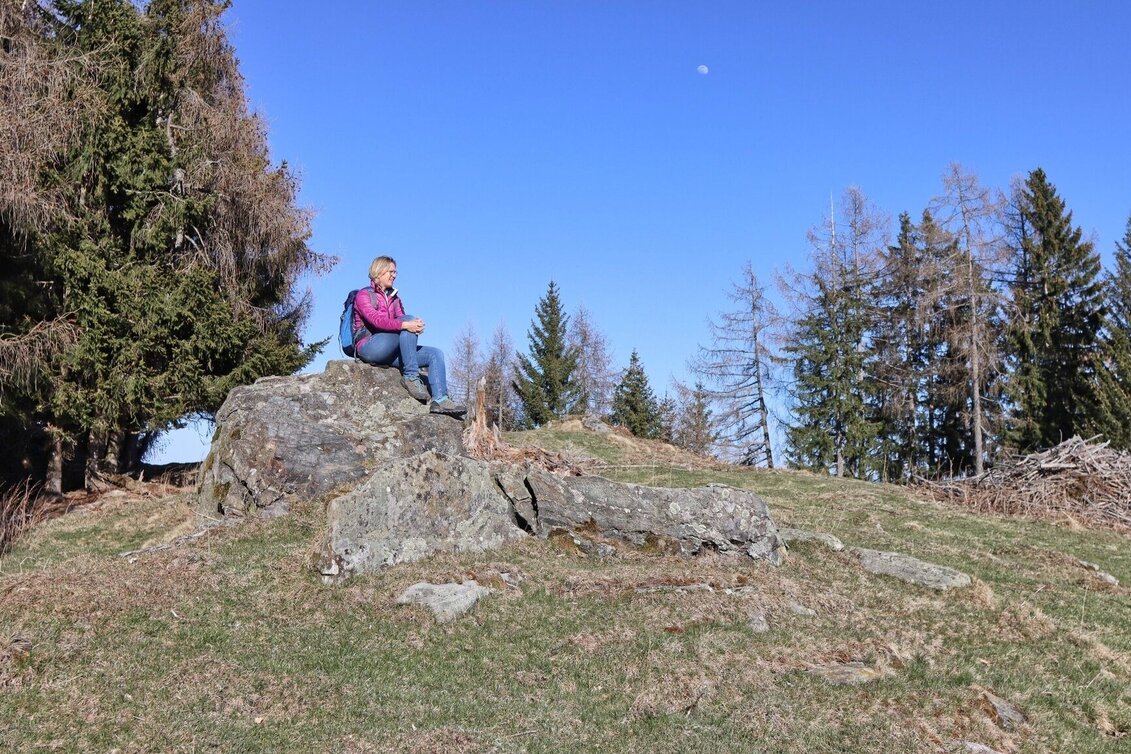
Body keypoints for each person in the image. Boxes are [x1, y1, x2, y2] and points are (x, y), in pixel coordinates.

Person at [353, 255, 466, 416]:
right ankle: (411, 376)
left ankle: (440, 400)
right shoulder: (364, 295)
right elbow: (377, 321)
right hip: (370, 347)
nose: (394, 275)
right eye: (391, 271)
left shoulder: (394, 298)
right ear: (379, 272)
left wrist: (415, 327)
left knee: (435, 354)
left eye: (395, 272)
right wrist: (408, 324)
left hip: (390, 351)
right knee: (408, 321)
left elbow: (403, 322)